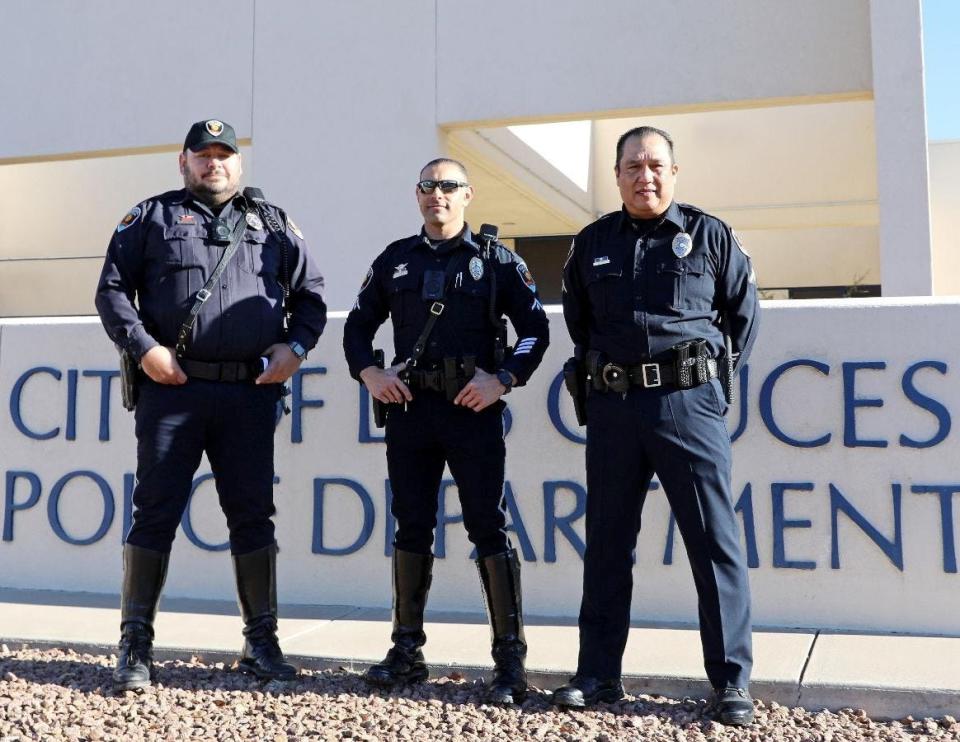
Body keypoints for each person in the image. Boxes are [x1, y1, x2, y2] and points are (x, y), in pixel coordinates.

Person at [94, 118, 327, 692]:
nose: (213, 164)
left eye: (224, 155)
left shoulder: (272, 223)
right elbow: (112, 291)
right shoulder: (149, 217)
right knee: (155, 511)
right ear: (184, 162)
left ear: (238, 164)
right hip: (173, 392)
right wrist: (145, 350)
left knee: (251, 514)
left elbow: (313, 295)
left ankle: (262, 643)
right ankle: (136, 645)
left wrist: (295, 348)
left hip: (249, 394)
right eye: (203, 155)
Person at [553, 126, 759, 726]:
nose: (646, 176)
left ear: (674, 171)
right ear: (616, 176)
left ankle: (730, 683)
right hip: (615, 408)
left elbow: (743, 317)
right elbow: (579, 321)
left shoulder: (710, 235)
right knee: (608, 544)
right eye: (633, 167)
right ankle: (597, 674)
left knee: (712, 541)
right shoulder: (591, 242)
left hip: (687, 404)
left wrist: (709, 388)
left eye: (656, 165)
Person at [342, 157, 549, 704]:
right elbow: (358, 327)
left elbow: (536, 329)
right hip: (411, 411)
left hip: (471, 411)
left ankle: (509, 661)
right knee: (411, 527)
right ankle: (407, 651)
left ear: (468, 195)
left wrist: (503, 379)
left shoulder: (496, 261)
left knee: (487, 527)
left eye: (449, 186)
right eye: (429, 186)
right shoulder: (395, 260)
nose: (439, 194)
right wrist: (370, 373)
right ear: (417, 196)